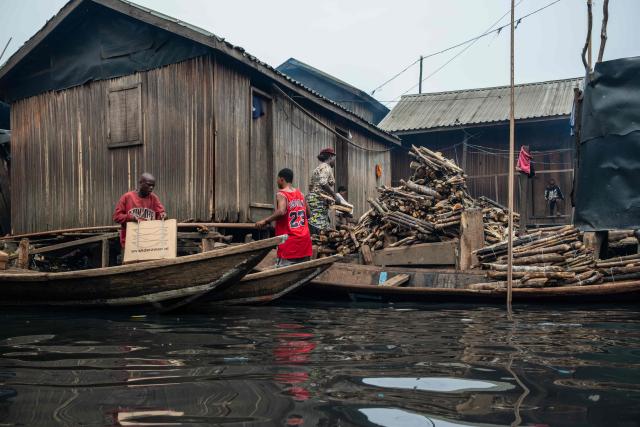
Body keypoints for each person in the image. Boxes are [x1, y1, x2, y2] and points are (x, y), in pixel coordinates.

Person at [256, 168, 312, 267]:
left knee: (285, 271)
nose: (277, 181)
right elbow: (308, 214)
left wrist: (265, 220)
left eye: (277, 179)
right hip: (304, 241)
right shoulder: (301, 194)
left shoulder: (282, 194)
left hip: (289, 242)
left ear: (282, 179)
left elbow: (281, 211)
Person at [113, 173, 167, 247]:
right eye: (148, 185)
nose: (151, 188)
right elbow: (116, 217)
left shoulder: (154, 198)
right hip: (130, 242)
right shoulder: (127, 197)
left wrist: (163, 215)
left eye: (153, 186)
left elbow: (161, 214)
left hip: (149, 242)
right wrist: (130, 218)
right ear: (141, 183)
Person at [307, 148, 337, 234]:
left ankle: (314, 243)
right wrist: (334, 195)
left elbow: (311, 186)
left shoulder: (317, 169)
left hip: (314, 199)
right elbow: (323, 183)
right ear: (331, 157)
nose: (335, 161)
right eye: (334, 159)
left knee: (315, 222)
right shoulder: (326, 167)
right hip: (318, 201)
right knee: (319, 226)